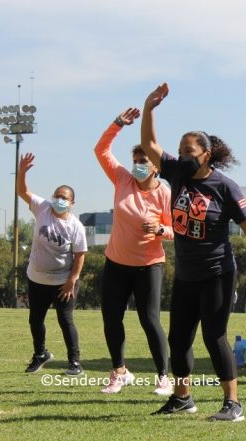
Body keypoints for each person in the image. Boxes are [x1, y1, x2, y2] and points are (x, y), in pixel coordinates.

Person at [141, 83, 246, 421]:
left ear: (206, 154)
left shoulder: (224, 187)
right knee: (178, 338)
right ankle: (182, 397)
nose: (182, 155)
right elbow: (149, 145)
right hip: (186, 275)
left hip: (217, 273)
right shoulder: (176, 173)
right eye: (180, 150)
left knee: (213, 336)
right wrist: (149, 109)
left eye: (189, 150)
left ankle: (233, 402)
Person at [94, 108, 174, 396]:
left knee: (149, 320)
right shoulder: (122, 179)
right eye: (136, 160)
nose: (138, 165)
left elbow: (177, 230)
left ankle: (163, 377)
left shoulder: (165, 193)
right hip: (116, 263)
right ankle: (119, 372)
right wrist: (117, 124)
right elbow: (101, 150)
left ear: (156, 166)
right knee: (111, 317)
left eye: (144, 161)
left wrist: (161, 229)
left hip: (149, 265)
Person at [17, 153, 87, 376]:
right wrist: (22, 172)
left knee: (65, 320)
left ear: (72, 203)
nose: (59, 199)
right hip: (37, 277)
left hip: (63, 281)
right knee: (35, 320)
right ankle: (40, 354)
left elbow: (80, 255)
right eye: (57, 195)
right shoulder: (43, 208)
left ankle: (75, 362)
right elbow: (22, 192)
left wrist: (71, 281)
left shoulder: (75, 226)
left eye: (64, 197)